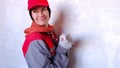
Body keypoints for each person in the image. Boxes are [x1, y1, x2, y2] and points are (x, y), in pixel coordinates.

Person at [22, 0, 73, 68]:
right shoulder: (34, 40)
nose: (41, 14)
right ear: (31, 15)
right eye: (35, 11)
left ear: (49, 11)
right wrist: (63, 49)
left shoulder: (49, 31)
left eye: (44, 9)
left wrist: (62, 44)